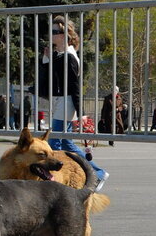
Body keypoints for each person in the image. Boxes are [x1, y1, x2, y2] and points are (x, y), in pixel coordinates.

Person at [38, 15, 108, 191]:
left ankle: (95, 174)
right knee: (65, 143)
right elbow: (49, 81)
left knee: (56, 143)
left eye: (55, 32)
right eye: (51, 32)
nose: (52, 35)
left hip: (67, 103)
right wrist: (46, 59)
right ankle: (96, 174)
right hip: (61, 102)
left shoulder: (69, 57)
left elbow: (75, 87)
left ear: (64, 35)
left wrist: (81, 112)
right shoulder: (60, 55)